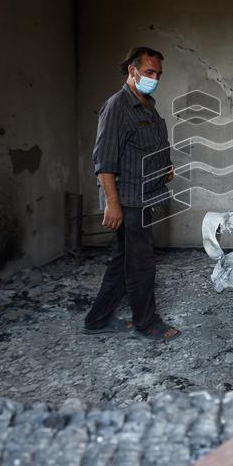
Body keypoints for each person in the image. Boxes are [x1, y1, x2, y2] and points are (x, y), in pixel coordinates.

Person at [83, 46, 180, 340]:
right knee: (141, 262)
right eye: (149, 72)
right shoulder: (117, 107)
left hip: (144, 194)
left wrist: (164, 166)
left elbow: (143, 147)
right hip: (127, 199)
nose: (154, 78)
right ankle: (146, 322)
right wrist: (113, 205)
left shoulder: (147, 104)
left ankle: (97, 320)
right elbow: (104, 163)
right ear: (132, 70)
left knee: (122, 259)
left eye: (158, 74)